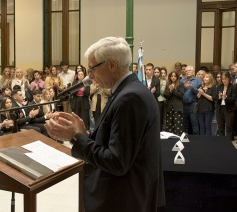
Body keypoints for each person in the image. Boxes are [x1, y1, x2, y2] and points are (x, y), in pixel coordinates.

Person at [44, 36, 165, 211]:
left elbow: (116, 162)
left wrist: (76, 138)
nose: (90, 76)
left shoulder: (129, 98)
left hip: (124, 199)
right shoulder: (129, 91)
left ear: (112, 65)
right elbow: (117, 146)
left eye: (92, 68)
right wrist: (84, 135)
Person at [181, 65, 202, 135]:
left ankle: (196, 140)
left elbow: (200, 93)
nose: (187, 72)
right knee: (184, 123)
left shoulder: (198, 81)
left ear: (193, 72)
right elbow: (179, 92)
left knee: (194, 122)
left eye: (189, 70)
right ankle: (185, 138)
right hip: (183, 104)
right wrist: (183, 87)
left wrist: (191, 88)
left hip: (193, 104)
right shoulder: (182, 80)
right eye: (186, 71)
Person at [215, 71, 236, 141]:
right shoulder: (219, 87)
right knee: (220, 126)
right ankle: (222, 142)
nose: (224, 80)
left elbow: (234, 99)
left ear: (229, 78)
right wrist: (219, 97)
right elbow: (215, 98)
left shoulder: (233, 87)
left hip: (229, 109)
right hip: (220, 109)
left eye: (225, 79)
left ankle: (229, 142)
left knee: (229, 126)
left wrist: (226, 97)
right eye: (223, 79)